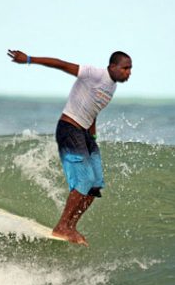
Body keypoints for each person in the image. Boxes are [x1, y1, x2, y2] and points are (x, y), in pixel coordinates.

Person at [7, 49, 132, 246]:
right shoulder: (94, 73)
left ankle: (71, 226)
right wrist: (29, 59)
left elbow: (93, 110)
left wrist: (93, 136)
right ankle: (61, 226)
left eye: (130, 69)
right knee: (84, 179)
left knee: (95, 184)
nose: (128, 72)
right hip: (69, 127)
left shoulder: (112, 88)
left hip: (85, 133)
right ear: (112, 66)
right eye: (125, 68)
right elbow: (61, 64)